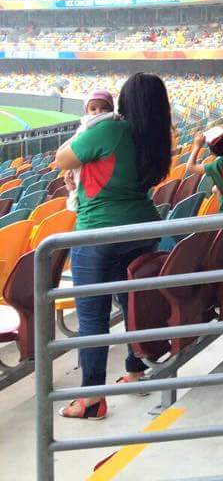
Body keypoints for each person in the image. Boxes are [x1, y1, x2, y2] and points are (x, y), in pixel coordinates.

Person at [54, 73, 173, 420]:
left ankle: (92, 399)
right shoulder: (155, 138)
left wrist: (88, 130)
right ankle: (136, 372)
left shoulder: (110, 129)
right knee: (132, 303)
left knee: (93, 317)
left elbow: (62, 158)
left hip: (99, 233)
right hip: (142, 227)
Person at [65, 90, 117, 213]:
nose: (98, 112)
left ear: (111, 110)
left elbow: (62, 159)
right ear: (87, 111)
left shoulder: (112, 127)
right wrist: (71, 170)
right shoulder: (84, 128)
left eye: (104, 108)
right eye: (93, 109)